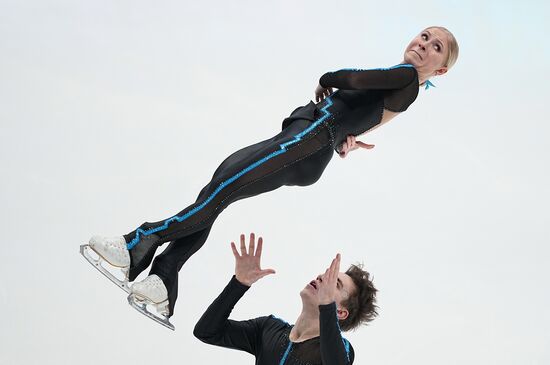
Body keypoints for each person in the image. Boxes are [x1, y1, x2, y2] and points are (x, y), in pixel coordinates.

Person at [81, 26, 459, 328]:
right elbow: (368, 123)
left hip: (307, 142)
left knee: (221, 190)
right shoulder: (405, 89)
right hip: (306, 143)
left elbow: (355, 79)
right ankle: (163, 278)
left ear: (440, 69)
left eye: (436, 46)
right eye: (424, 36)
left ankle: (139, 241)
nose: (425, 44)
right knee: (218, 187)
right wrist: (348, 141)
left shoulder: (406, 77)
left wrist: (327, 77)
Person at [193, 233, 378, 365]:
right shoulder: (268, 328)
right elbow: (206, 332)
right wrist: (239, 284)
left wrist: (326, 305)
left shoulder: (342, 351)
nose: (322, 278)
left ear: (340, 312)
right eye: (325, 274)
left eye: (334, 283)